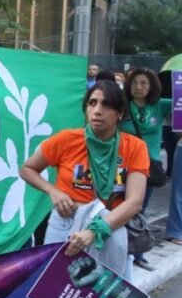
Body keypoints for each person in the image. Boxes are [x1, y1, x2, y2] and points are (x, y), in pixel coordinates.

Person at [20, 80, 148, 279]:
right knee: (55, 292)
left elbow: (135, 202)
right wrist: (53, 191)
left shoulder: (135, 147)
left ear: (120, 112)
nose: (97, 111)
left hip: (111, 224)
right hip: (65, 223)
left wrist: (94, 232)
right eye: (92, 103)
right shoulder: (66, 140)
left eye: (106, 105)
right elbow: (27, 169)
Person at [119, 68, 171, 271]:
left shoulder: (160, 106)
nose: (139, 87)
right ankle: (118, 250)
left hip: (148, 167)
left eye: (144, 83)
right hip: (122, 166)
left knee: (139, 209)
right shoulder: (121, 106)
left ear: (152, 87)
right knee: (117, 207)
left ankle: (137, 253)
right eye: (134, 83)